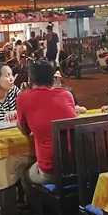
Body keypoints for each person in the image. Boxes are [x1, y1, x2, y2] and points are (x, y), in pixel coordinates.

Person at [16, 60, 77, 198]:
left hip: (50, 171)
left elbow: (25, 131)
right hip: (77, 166)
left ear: (30, 80)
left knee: (24, 175)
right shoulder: (66, 94)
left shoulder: (23, 97)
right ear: (53, 79)